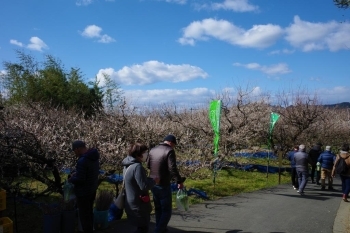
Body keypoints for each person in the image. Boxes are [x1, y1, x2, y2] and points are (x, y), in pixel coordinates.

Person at [147, 134, 185, 233]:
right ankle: (158, 230)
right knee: (167, 210)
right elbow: (172, 168)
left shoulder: (152, 150)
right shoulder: (169, 151)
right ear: (171, 143)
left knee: (158, 208)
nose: (174, 147)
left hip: (153, 182)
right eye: (174, 145)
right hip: (163, 183)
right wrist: (179, 181)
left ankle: (161, 228)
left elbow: (148, 165)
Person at [122, 142, 159, 233]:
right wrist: (154, 181)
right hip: (139, 204)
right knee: (143, 228)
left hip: (130, 201)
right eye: (145, 152)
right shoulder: (137, 167)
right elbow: (144, 186)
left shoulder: (127, 164)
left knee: (140, 227)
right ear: (139, 154)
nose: (147, 154)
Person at [68, 140, 100, 233]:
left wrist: (71, 179)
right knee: (89, 213)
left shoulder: (83, 160)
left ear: (78, 149)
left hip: (83, 193)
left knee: (84, 216)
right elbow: (88, 172)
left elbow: (81, 180)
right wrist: (77, 173)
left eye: (74, 151)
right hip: (92, 189)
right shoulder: (94, 156)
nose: (74, 153)